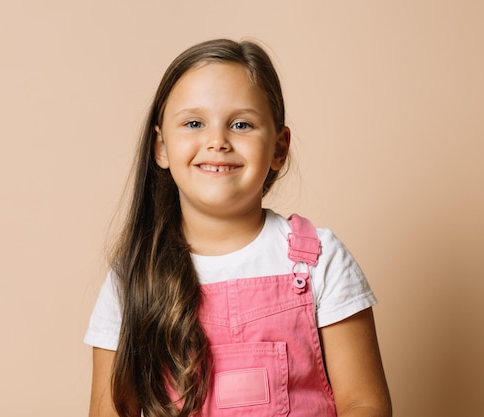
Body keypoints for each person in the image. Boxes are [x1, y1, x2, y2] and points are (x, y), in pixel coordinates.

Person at [85, 38, 391, 417]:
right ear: (161, 148)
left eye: (241, 124)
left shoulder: (319, 261)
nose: (217, 141)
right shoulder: (132, 277)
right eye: (194, 123)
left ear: (279, 148)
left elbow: (364, 402)